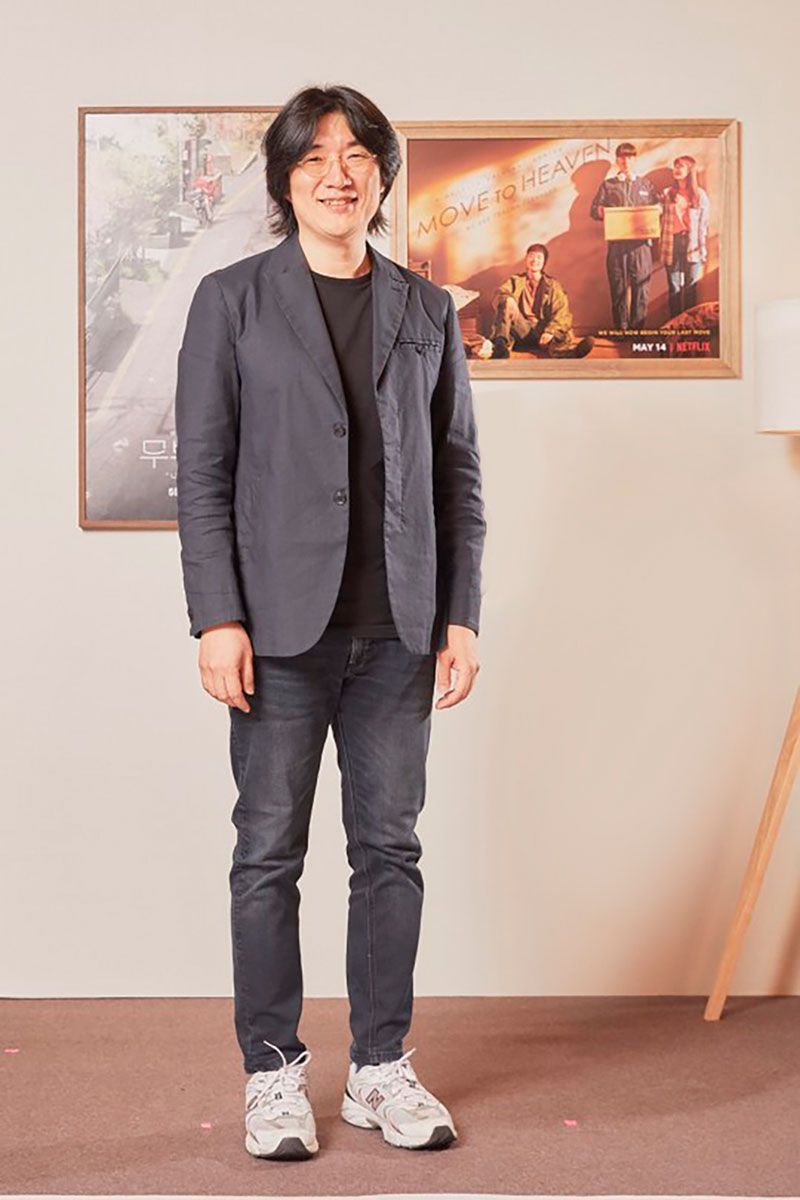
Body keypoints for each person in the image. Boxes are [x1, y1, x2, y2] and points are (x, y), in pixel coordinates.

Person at [174, 84, 486, 1161]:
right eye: (313, 158)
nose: (336, 174)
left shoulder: (425, 309)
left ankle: (378, 1068)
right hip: (276, 633)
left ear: (382, 177)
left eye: (356, 156)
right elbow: (203, 475)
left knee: (389, 852)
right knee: (267, 854)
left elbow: (457, 477)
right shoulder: (231, 301)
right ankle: (272, 1073)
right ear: (285, 179)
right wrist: (217, 616)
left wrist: (460, 616)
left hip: (399, 630)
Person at [590, 142, 661, 330]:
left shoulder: (646, 184)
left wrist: (658, 209)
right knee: (618, 287)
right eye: (622, 157)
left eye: (629, 157)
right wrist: (601, 211)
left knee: (641, 288)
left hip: (641, 246)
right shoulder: (608, 185)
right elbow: (594, 210)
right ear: (617, 160)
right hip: (617, 245)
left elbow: (658, 205)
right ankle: (621, 330)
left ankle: (637, 330)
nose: (625, 161)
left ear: (634, 159)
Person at [489, 242, 593, 358]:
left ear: (544, 262)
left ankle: (572, 353)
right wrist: (507, 302)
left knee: (560, 335)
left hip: (543, 333)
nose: (535, 260)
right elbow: (499, 296)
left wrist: (550, 331)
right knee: (507, 301)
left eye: (539, 257)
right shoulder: (515, 281)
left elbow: (561, 313)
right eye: (531, 256)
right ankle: (500, 346)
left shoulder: (553, 285)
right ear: (526, 259)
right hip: (522, 330)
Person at [659, 154, 710, 317]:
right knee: (674, 287)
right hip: (672, 242)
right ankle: (674, 326)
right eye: (675, 166)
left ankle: (689, 325)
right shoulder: (668, 193)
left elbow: (703, 225)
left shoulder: (699, 195)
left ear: (690, 170)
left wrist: (702, 250)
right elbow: (657, 214)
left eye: (680, 166)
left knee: (690, 287)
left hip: (692, 243)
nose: (676, 169)